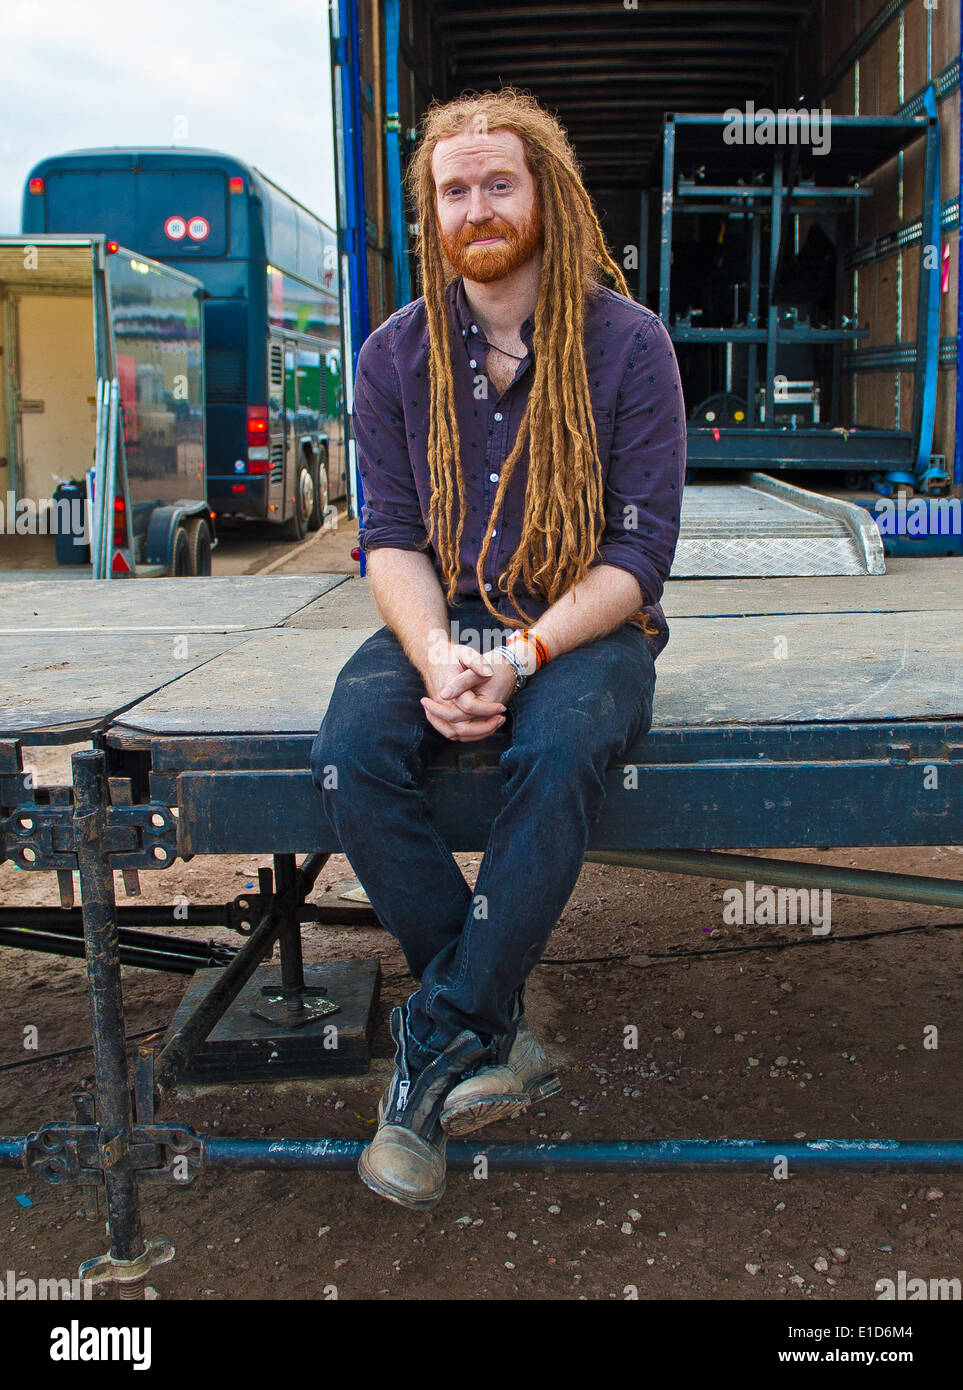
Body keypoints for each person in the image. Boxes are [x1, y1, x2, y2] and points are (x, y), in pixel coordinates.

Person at [311, 87, 686, 1210]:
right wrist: (435, 656)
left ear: (546, 194)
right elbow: (387, 540)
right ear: (433, 212)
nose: (477, 205)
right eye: (454, 189)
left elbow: (639, 553)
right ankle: (492, 1020)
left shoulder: (630, 346)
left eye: (499, 182)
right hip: (447, 611)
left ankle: (441, 1034)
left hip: (584, 623)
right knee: (349, 748)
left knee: (562, 750)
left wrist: (520, 658)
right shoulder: (395, 357)